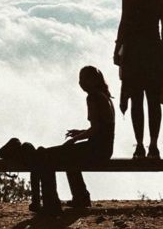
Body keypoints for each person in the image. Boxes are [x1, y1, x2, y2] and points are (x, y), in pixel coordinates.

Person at [33, 65, 115, 214]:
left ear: (92, 80)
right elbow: (102, 128)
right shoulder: (104, 96)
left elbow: (95, 129)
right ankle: (80, 196)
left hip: (96, 150)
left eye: (83, 79)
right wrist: (80, 132)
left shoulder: (93, 97)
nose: (80, 83)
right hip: (104, 149)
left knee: (45, 156)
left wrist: (75, 139)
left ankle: (51, 203)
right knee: (69, 157)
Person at [114, 0, 163, 159]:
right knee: (153, 101)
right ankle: (153, 145)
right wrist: (162, 51)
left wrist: (118, 48)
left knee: (136, 100)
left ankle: (139, 145)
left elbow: (124, 22)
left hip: (134, 53)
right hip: (153, 51)